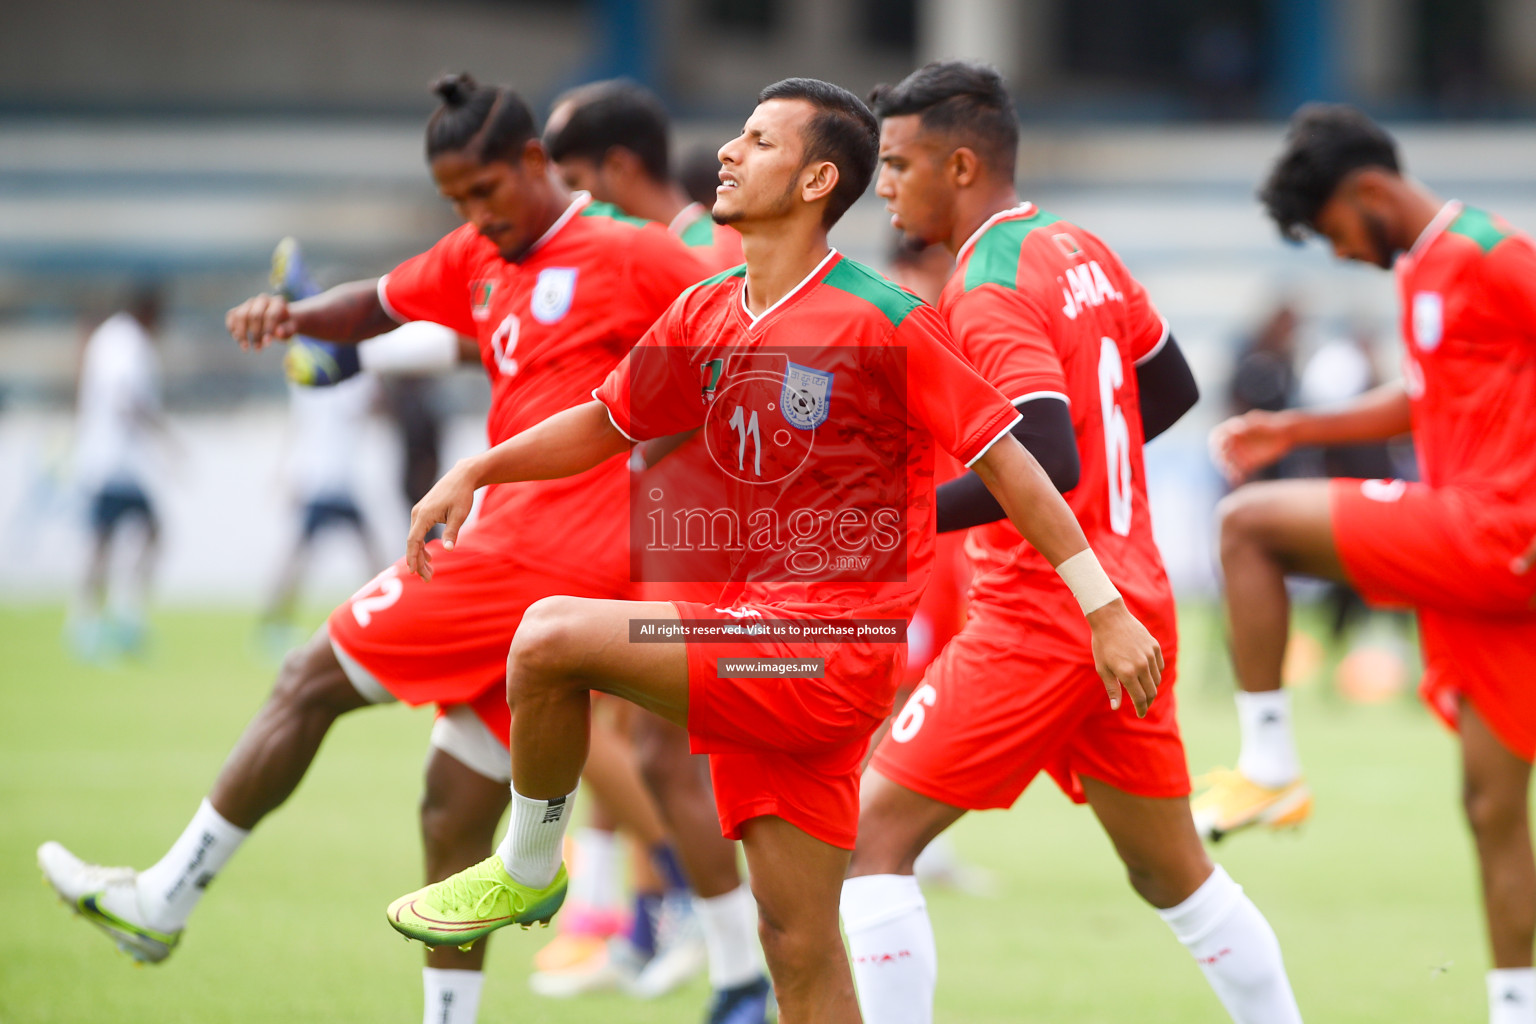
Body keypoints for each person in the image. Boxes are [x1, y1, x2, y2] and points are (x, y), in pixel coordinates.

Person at [383, 76, 1163, 1024]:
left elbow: (1011, 464)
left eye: (757, 140)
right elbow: (605, 421)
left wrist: (1104, 607)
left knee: (547, 636)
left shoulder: (884, 318)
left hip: (816, 654)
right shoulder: (709, 310)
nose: (727, 152)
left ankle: (529, 868)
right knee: (798, 953)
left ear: (813, 180)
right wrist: (480, 470)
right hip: (759, 642)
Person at [38, 73, 709, 1024]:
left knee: (308, 678)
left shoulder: (631, 253)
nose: (477, 215)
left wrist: (685, 471)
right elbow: (382, 304)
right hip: (528, 559)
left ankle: (163, 900)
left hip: (536, 553)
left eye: (487, 191)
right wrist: (300, 318)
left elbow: (739, 334)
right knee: (451, 811)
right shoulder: (481, 257)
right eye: (456, 201)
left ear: (533, 163)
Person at [840, 61, 1301, 1024]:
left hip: (1044, 616)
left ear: (960, 165)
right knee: (1172, 874)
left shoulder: (989, 284)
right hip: (1130, 603)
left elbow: (1044, 451)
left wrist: (890, 517)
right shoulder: (1077, 245)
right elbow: (1165, 388)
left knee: (868, 840)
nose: (882, 186)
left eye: (896, 164)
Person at [1202, 103, 1536, 1024]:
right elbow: (1429, 396)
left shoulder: (1487, 252)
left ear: (1371, 191)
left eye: (1331, 230)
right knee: (1491, 805)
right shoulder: (1431, 266)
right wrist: (1297, 427)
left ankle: (1269, 761)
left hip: (1497, 530)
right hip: (1488, 559)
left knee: (1248, 526)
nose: (1338, 252)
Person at [542, 74, 771, 1015]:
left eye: (571, 178)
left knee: (613, 724)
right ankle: (634, 915)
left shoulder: (694, 251)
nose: (565, 201)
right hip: (663, 522)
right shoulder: (676, 245)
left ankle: (683, 902)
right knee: (630, 731)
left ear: (616, 168)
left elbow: (716, 394)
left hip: (686, 528)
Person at [545, 78, 744, 271]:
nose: (570, 198)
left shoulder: (720, 257)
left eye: (573, 181)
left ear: (618, 167)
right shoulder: (614, 256)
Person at [69, 284, 169, 659]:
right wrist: (164, 439)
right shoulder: (128, 342)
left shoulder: (109, 337)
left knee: (110, 541)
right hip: (116, 463)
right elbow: (125, 397)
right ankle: (104, 622)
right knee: (119, 540)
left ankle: (97, 622)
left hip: (105, 459)